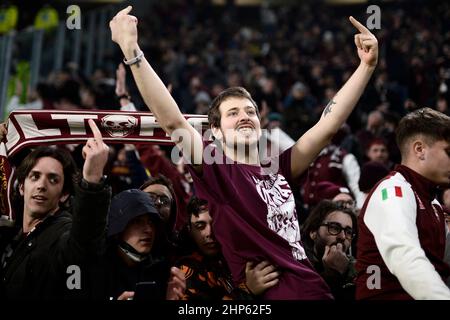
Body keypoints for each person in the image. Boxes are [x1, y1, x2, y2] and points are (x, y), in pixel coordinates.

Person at [109, 6, 378, 299]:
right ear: (216, 132)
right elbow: (173, 120)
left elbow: (327, 126)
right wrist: (132, 50)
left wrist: (365, 67)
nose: (245, 116)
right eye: (233, 113)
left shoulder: (280, 167)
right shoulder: (217, 170)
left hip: (317, 291)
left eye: (250, 111)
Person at [0, 120, 111, 300]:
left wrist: (92, 181)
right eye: (35, 176)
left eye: (53, 179)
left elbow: (85, 240)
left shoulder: (63, 234)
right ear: (21, 187)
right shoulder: (11, 233)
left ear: (64, 194)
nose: (41, 185)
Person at [355, 108, 450, 299]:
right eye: (449, 151)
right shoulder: (392, 191)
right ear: (420, 150)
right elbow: (405, 258)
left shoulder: (433, 203)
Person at [175, 196, 279, 300]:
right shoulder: (186, 271)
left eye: (216, 223)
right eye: (200, 226)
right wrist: (247, 290)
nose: (209, 233)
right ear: (190, 230)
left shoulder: (240, 254)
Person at [93, 189, 184, 300]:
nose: (149, 229)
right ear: (119, 228)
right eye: (137, 221)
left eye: (151, 222)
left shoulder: (163, 273)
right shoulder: (95, 270)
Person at [301, 200, 358, 300]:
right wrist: (332, 277)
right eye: (334, 228)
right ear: (313, 232)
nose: (343, 236)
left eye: (348, 232)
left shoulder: (357, 272)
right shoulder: (295, 265)